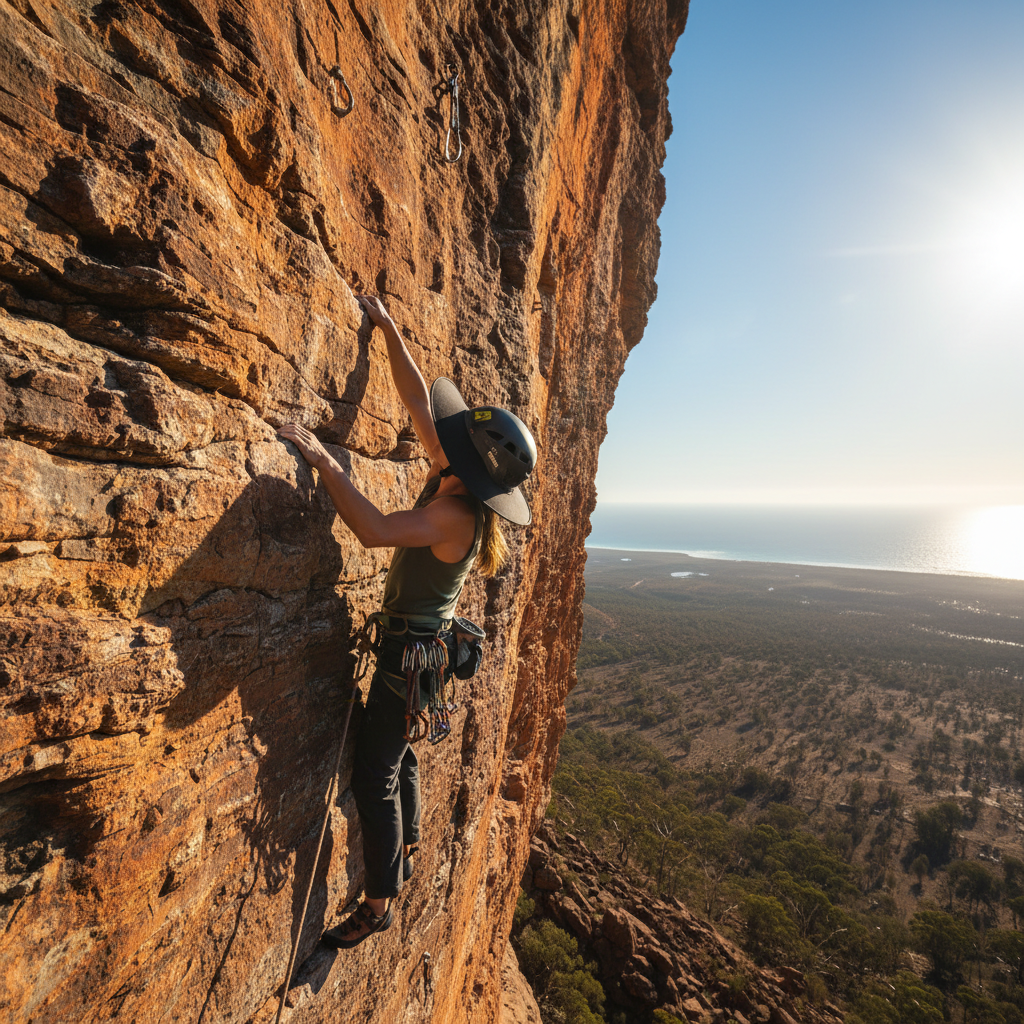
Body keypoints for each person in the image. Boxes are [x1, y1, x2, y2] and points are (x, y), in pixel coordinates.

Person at [277, 295, 537, 948]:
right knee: (401, 755)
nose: (441, 442)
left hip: (409, 662)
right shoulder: (456, 479)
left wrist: (327, 463)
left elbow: (372, 530)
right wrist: (389, 330)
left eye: (457, 444)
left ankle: (381, 898)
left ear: (473, 464)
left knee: (377, 774)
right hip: (423, 654)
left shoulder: (455, 515)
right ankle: (410, 840)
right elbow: (421, 401)